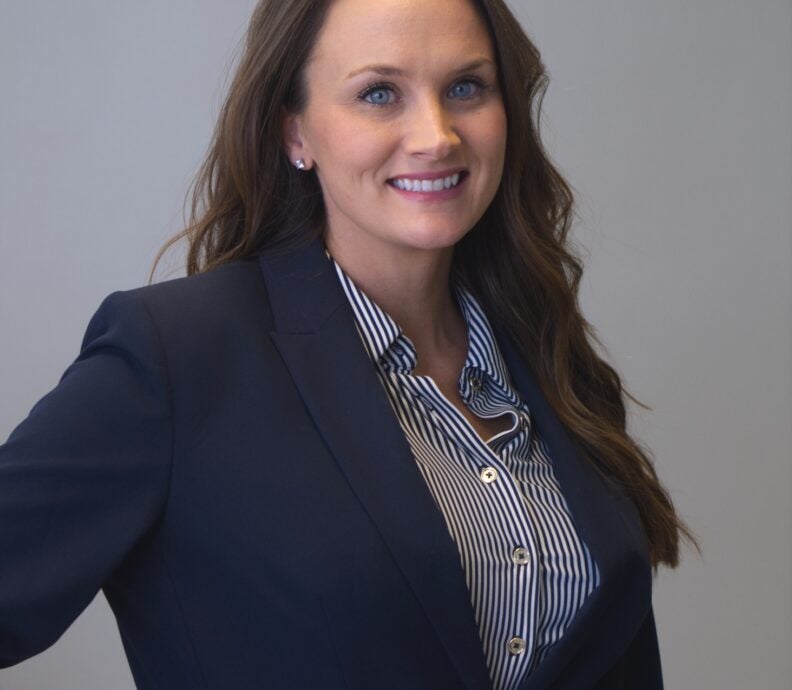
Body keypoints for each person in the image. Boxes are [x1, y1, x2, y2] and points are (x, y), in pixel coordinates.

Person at [0, 0, 695, 688]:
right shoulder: (178, 357)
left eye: (465, 87)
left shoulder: (552, 362)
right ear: (295, 132)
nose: (436, 135)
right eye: (379, 93)